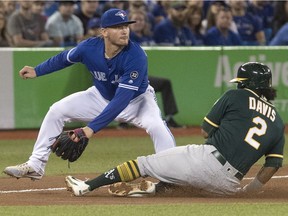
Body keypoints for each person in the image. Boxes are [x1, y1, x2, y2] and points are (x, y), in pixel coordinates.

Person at [64, 62, 285, 197]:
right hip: (228, 184)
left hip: (207, 160)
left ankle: (86, 186)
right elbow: (273, 165)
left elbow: (206, 130)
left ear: (246, 84)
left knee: (144, 163)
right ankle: (152, 190)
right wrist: (249, 192)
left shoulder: (235, 95)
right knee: (182, 180)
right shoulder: (277, 121)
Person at [3, 8, 176, 180]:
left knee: (157, 127)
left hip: (137, 101)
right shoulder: (89, 48)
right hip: (99, 96)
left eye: (126, 26)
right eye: (118, 27)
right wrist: (37, 71)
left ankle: (173, 173)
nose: (124, 30)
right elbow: (63, 59)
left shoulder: (136, 56)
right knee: (56, 111)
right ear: (105, 32)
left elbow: (121, 100)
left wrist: (90, 129)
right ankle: (35, 165)